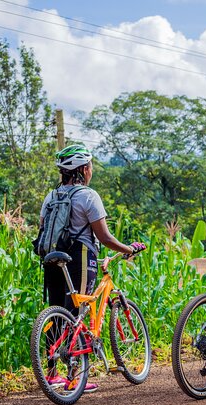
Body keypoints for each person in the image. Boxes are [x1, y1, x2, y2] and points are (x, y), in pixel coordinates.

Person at [40, 144, 144, 392]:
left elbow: (42, 228)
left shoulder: (51, 196)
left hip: (52, 257)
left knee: (55, 311)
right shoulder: (88, 195)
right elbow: (105, 237)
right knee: (78, 311)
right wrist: (128, 249)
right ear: (84, 169)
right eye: (91, 166)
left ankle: (51, 374)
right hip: (80, 256)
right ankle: (73, 379)